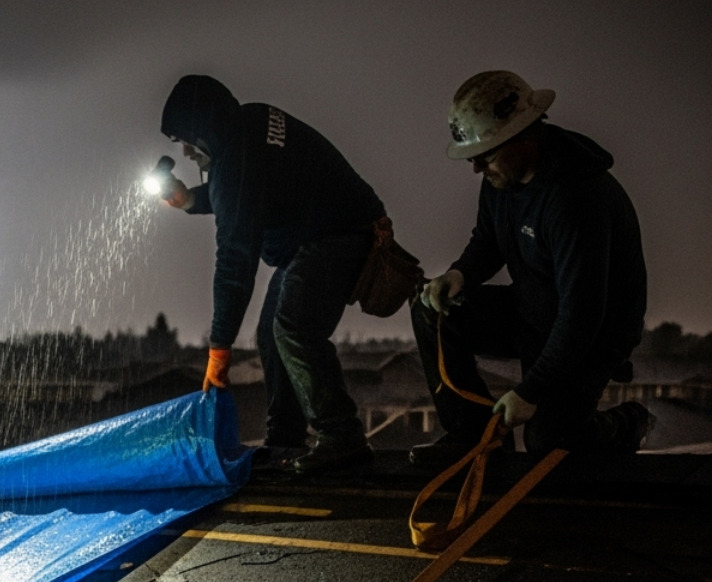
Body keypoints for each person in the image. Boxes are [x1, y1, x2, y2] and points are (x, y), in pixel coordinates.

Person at [410, 70, 651, 463]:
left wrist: (530, 391)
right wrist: (458, 275)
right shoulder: (499, 180)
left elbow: (582, 315)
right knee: (430, 312)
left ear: (523, 136)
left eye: (484, 155)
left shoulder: (576, 199)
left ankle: (627, 422)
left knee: (550, 444)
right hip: (534, 309)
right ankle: (473, 437)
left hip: (594, 333)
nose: (476, 168)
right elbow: (487, 242)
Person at [157, 75, 388, 474]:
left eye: (187, 140)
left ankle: (342, 437)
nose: (188, 152)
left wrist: (219, 349)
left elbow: (234, 258)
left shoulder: (238, 156)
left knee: (294, 325)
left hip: (339, 233)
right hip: (328, 231)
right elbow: (243, 191)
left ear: (202, 128)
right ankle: (285, 440)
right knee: (271, 332)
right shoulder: (248, 124)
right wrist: (191, 199)